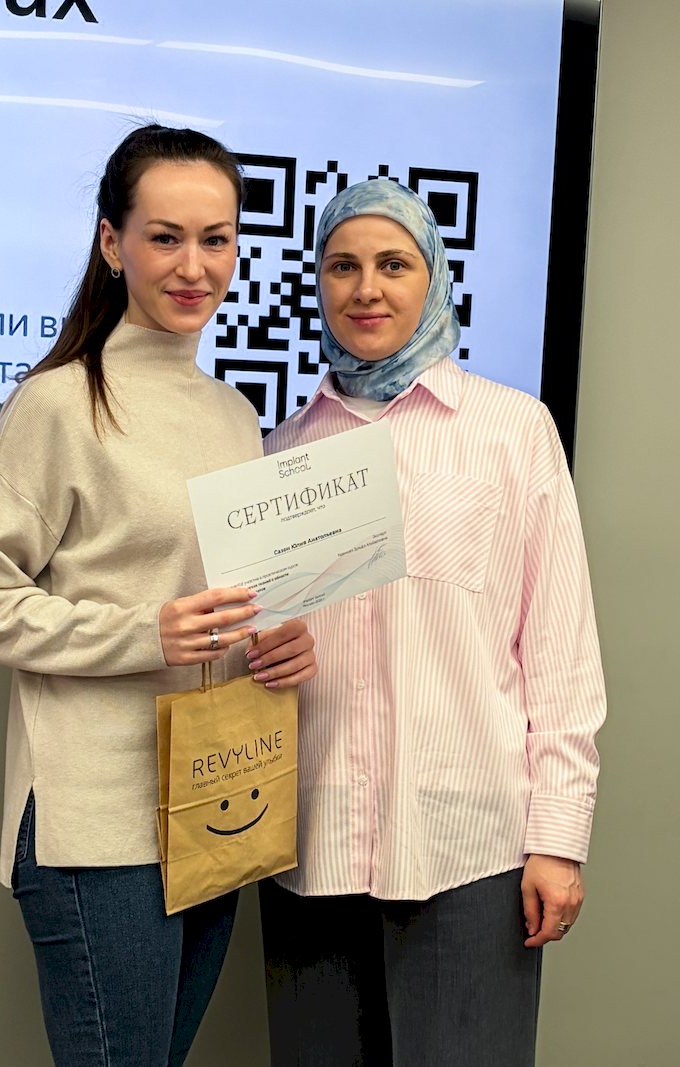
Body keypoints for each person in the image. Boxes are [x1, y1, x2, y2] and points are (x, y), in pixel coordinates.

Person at [0, 124, 316, 1067]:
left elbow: (216, 601)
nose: (195, 266)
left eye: (216, 239)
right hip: (95, 817)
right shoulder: (60, 403)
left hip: (211, 801)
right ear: (113, 242)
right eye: (165, 237)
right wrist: (147, 633)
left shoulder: (234, 415)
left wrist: (272, 643)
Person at [257, 178, 606, 1067]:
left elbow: (560, 651)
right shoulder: (281, 453)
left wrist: (558, 839)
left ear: (434, 277)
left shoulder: (513, 431)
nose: (365, 289)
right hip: (310, 846)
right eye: (342, 266)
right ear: (319, 282)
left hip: (470, 844)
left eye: (392, 264)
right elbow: (255, 652)